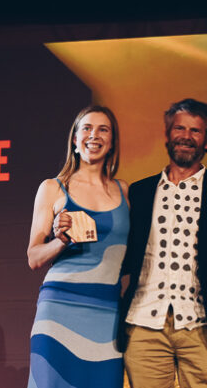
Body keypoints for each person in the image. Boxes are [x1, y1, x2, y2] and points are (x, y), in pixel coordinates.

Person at [118, 98, 207, 388]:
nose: (186, 136)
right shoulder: (139, 192)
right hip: (143, 326)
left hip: (204, 326)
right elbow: (121, 253)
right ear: (168, 135)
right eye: (179, 128)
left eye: (195, 130)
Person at [26, 105, 129, 388]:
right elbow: (34, 257)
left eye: (103, 129)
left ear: (112, 142)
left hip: (107, 315)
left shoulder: (125, 191)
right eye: (87, 128)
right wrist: (61, 241)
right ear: (75, 139)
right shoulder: (53, 188)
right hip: (58, 312)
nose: (94, 135)